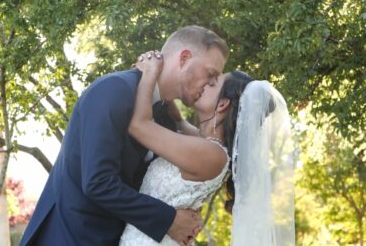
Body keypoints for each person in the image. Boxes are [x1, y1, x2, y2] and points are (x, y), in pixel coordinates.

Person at [19, 25, 229, 246]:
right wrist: (168, 220)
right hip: (70, 237)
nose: (211, 83)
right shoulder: (113, 90)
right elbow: (98, 182)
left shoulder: (165, 117)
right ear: (184, 58)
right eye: (210, 73)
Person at [120, 53, 295, 245]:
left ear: (222, 104)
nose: (203, 83)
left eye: (211, 84)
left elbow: (139, 126)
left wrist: (150, 73)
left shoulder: (211, 154)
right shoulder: (207, 145)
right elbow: (181, 124)